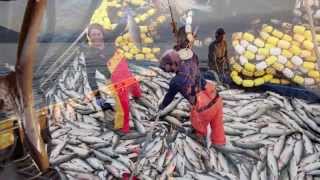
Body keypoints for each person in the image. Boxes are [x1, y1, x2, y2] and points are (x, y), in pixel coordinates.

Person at [159, 26, 226, 146]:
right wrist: (181, 45)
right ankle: (219, 144)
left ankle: (200, 143)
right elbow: (187, 52)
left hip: (204, 109)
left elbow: (168, 98)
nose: (166, 71)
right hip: (215, 97)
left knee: (197, 128)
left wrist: (161, 107)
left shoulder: (175, 82)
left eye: (166, 68)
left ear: (173, 64)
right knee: (218, 128)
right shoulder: (192, 58)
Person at [82, 23, 114, 111]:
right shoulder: (90, 55)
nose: (96, 37)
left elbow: (118, 30)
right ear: (89, 36)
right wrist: (97, 96)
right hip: (110, 77)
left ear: (103, 35)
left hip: (122, 72)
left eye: (98, 34)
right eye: (93, 35)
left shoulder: (109, 40)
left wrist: (126, 19)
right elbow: (91, 77)